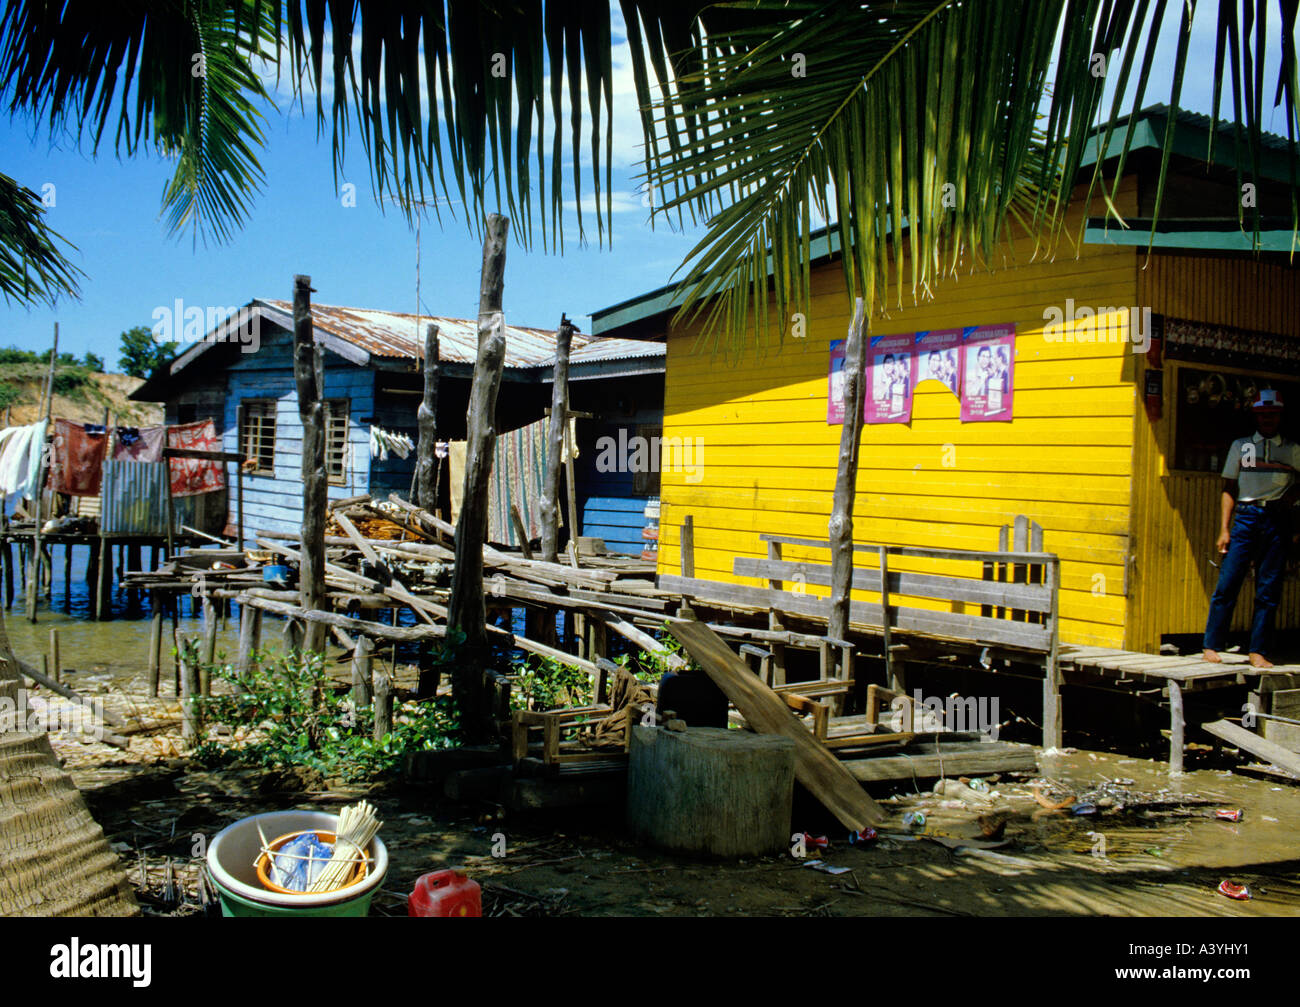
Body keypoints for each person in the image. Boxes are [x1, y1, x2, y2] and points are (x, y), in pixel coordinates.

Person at [1203, 389, 1300, 668]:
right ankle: (1211, 645)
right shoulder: (1242, 446)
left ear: (1280, 415)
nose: (1268, 419)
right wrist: (1224, 529)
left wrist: (1289, 499)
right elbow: (1229, 488)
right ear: (1256, 416)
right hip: (1246, 517)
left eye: (1273, 414)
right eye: (1263, 414)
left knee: (1268, 589)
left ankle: (1258, 651)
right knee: (1229, 581)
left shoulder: (1292, 449)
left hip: (1276, 519)